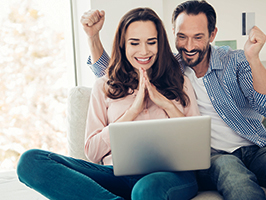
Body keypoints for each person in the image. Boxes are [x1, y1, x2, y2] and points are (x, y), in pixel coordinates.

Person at [83, 1, 266, 199]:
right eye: (182, 37)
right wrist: (93, 37)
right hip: (215, 156)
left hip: (256, 146)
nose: (189, 46)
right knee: (236, 180)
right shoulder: (170, 66)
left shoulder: (236, 61)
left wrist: (254, 59)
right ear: (172, 33)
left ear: (212, 35)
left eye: (198, 37)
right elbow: (117, 71)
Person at [17, 7, 200, 200]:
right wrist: (132, 111)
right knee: (30, 162)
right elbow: (93, 152)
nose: (144, 51)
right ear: (123, 45)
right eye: (134, 43)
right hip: (116, 175)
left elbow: (197, 145)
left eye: (151, 42)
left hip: (172, 176)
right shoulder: (104, 85)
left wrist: (166, 105)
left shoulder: (180, 81)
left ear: (160, 45)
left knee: (145, 190)